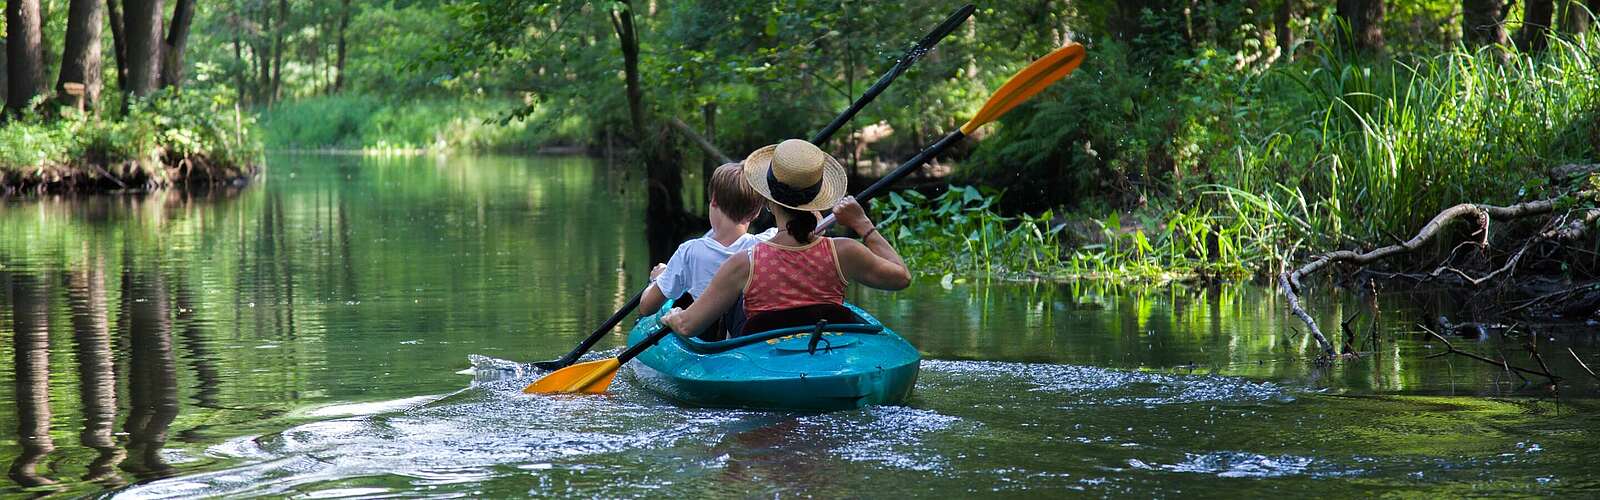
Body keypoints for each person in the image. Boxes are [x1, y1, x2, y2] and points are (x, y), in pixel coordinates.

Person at [661, 139, 911, 338]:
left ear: (768, 201)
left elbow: (687, 327)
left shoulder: (745, 263)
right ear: (818, 198)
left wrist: (673, 315)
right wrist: (862, 224)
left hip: (763, 365)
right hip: (825, 357)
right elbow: (901, 277)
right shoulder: (845, 252)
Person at [638, 163, 775, 321]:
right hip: (744, 333)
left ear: (714, 200)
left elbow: (646, 307)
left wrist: (657, 278)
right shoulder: (766, 244)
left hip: (705, 333)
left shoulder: (689, 252)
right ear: (756, 212)